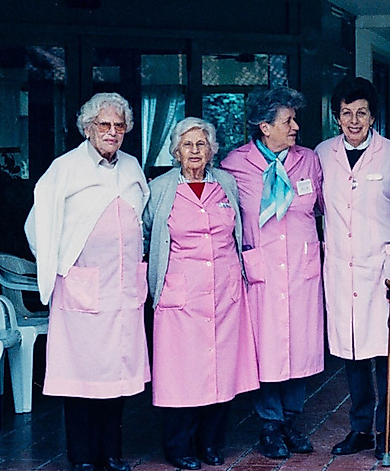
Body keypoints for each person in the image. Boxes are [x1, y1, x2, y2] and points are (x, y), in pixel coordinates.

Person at [25, 92, 149, 471]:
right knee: (80, 379)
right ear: (88, 127)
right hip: (81, 288)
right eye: (104, 125)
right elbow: (36, 226)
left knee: (118, 377)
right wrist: (61, 263)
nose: (112, 132)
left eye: (119, 125)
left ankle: (110, 454)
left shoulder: (131, 166)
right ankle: (81, 458)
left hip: (123, 290)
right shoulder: (65, 168)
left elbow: (140, 215)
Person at [144, 117, 260, 470]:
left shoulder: (225, 182)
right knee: (181, 374)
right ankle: (179, 447)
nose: (195, 151)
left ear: (212, 150)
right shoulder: (160, 188)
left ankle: (211, 443)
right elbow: (148, 233)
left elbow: (239, 228)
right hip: (180, 295)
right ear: (176, 151)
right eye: (188, 145)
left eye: (202, 144)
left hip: (225, 291)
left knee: (221, 371)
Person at [220, 86, 324, 460]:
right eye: (288, 120)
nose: (295, 126)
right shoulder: (234, 165)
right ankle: (269, 424)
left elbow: (326, 209)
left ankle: (290, 422)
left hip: (302, 268)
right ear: (265, 127)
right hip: (261, 271)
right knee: (267, 350)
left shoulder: (309, 161)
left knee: (299, 348)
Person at [315, 77, 390, 460]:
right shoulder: (321, 154)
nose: (354, 120)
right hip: (342, 266)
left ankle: (385, 431)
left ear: (374, 117)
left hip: (383, 268)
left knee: (385, 353)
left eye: (362, 113)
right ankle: (359, 429)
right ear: (337, 117)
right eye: (347, 113)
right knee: (352, 354)